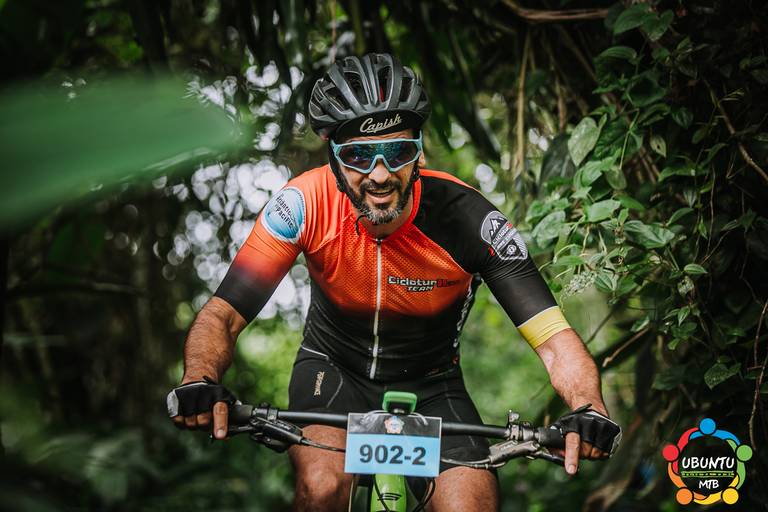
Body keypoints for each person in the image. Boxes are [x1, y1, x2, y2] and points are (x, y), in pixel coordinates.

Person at [167, 53, 621, 511]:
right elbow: (224, 314)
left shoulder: (467, 220)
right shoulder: (302, 205)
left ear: (419, 151)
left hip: (433, 385)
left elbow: (554, 339)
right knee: (321, 488)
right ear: (333, 158)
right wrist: (200, 378)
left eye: (398, 152)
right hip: (332, 373)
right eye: (358, 156)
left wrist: (588, 406)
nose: (380, 175)